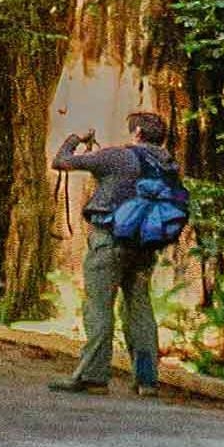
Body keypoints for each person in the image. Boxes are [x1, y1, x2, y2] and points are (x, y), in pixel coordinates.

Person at [51, 112, 186, 393]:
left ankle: (93, 376)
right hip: (145, 246)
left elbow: (61, 161)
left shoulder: (117, 156)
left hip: (109, 243)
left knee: (99, 307)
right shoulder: (168, 164)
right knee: (139, 309)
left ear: (136, 132)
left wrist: (76, 138)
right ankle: (146, 380)